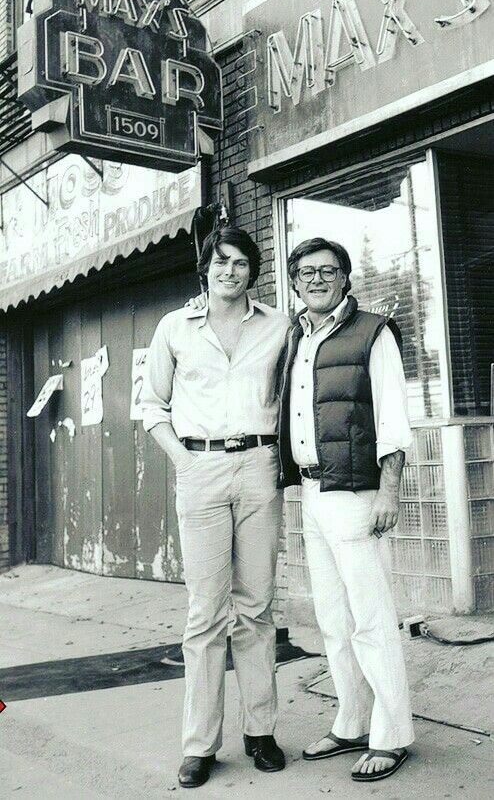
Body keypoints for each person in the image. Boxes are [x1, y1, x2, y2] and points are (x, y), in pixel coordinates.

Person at [141, 226, 290, 788]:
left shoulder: (279, 326)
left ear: (254, 270)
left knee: (256, 606)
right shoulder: (173, 327)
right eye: (220, 261)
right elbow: (152, 404)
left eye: (241, 262)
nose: (230, 271)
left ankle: (261, 731)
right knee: (205, 613)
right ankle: (200, 744)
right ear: (205, 268)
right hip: (199, 470)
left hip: (258, 468)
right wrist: (184, 461)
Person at [278, 237, 414, 783]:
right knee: (333, 619)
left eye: (327, 271)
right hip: (313, 492)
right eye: (306, 272)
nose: (316, 279)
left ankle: (391, 734)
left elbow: (395, 417)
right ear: (294, 282)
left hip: (357, 494)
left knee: (371, 619)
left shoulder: (373, 332)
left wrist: (390, 490)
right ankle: (352, 719)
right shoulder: (297, 337)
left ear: (345, 278)